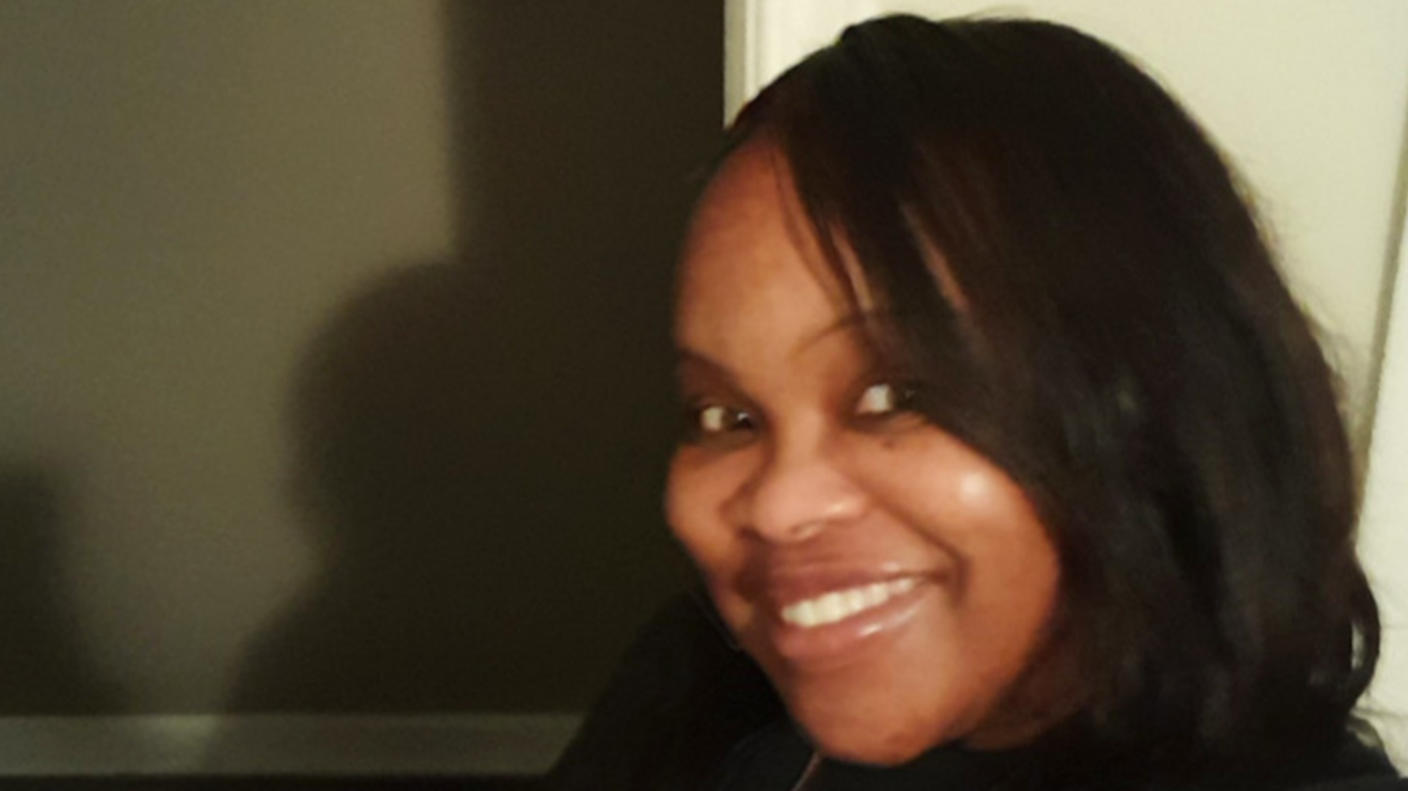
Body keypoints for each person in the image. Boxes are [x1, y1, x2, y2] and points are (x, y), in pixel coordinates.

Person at [546, 14, 1402, 790]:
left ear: (1143, 395)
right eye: (724, 415)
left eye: (894, 393)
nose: (775, 504)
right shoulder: (699, 680)